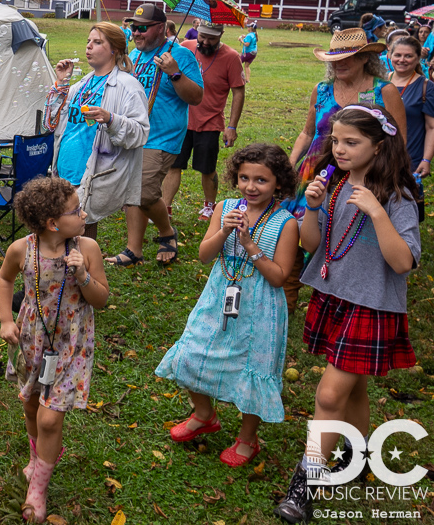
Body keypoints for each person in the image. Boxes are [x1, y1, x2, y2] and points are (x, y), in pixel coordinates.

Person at [274, 105, 420, 523]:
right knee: (352, 389)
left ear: (379, 146)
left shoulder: (398, 197)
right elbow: (311, 244)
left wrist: (376, 212)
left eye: (351, 142)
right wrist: (315, 209)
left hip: (370, 306)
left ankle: (306, 486)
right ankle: (358, 456)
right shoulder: (333, 185)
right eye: (335, 140)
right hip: (335, 297)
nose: (339, 149)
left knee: (329, 394)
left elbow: (403, 262)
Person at [156, 144, 298, 466]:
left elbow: (278, 277)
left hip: (261, 306)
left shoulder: (286, 223)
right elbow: (205, 255)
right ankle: (205, 415)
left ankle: (248, 438)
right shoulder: (225, 207)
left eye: (261, 180)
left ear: (278, 183)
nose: (251, 186)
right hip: (219, 296)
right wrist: (224, 231)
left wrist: (249, 245)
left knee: (253, 369)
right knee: (192, 353)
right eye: (244, 177)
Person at [0, 177, 109, 523]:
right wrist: (5, 320)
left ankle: (38, 490)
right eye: (76, 211)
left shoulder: (87, 248)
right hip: (33, 338)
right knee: (31, 407)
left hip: (71, 343)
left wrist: (84, 276)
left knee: (49, 418)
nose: (84, 213)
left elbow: (102, 300)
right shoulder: (22, 249)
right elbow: (4, 280)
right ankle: (36, 460)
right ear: (52, 223)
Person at [282, 28, 406, 314]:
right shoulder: (322, 89)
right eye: (334, 58)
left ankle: (331, 296)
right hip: (315, 173)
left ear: (365, 58)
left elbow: (397, 142)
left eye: (347, 57)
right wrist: (290, 166)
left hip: (362, 176)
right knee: (298, 231)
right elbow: (307, 132)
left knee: (341, 234)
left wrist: (392, 180)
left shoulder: (382, 91)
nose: (339, 64)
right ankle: (288, 299)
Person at [106, 4, 203, 267]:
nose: (136, 33)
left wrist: (174, 73)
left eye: (142, 28)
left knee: (144, 192)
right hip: (132, 133)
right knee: (131, 191)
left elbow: (196, 97)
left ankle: (166, 232)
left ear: (160, 28)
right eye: (133, 27)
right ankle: (133, 250)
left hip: (162, 136)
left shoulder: (180, 56)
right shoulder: (134, 56)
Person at [43, 23, 150, 240]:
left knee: (82, 231)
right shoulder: (81, 84)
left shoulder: (128, 86)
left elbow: (140, 133)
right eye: (88, 41)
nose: (89, 46)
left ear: (115, 49)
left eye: (98, 42)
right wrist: (62, 83)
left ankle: (87, 273)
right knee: (60, 234)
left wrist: (111, 119)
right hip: (64, 169)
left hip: (90, 173)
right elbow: (50, 123)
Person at [162, 21, 246, 221]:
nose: (205, 42)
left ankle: (209, 206)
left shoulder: (232, 57)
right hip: (181, 119)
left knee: (206, 168)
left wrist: (232, 126)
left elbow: (239, 92)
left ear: (221, 35)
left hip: (210, 121)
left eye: (212, 38)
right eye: (202, 37)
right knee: (174, 165)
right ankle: (165, 207)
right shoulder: (186, 47)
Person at [386, 35, 434, 219]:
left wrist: (426, 159)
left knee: (403, 210)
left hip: (409, 158)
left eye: (408, 56)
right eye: (397, 54)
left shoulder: (426, 87)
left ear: (417, 58)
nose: (402, 60)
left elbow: (432, 127)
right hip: (379, 155)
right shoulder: (382, 81)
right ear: (389, 54)